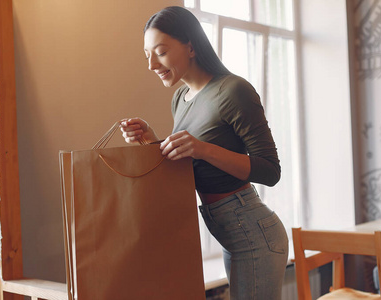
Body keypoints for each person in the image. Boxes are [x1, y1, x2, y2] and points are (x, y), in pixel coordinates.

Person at [120, 6, 288, 300]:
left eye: (160, 52)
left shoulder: (234, 90)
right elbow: (185, 168)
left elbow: (270, 171)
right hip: (229, 232)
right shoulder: (180, 99)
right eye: (147, 54)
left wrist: (203, 149)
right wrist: (151, 140)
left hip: (252, 230)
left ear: (191, 46)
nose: (151, 65)